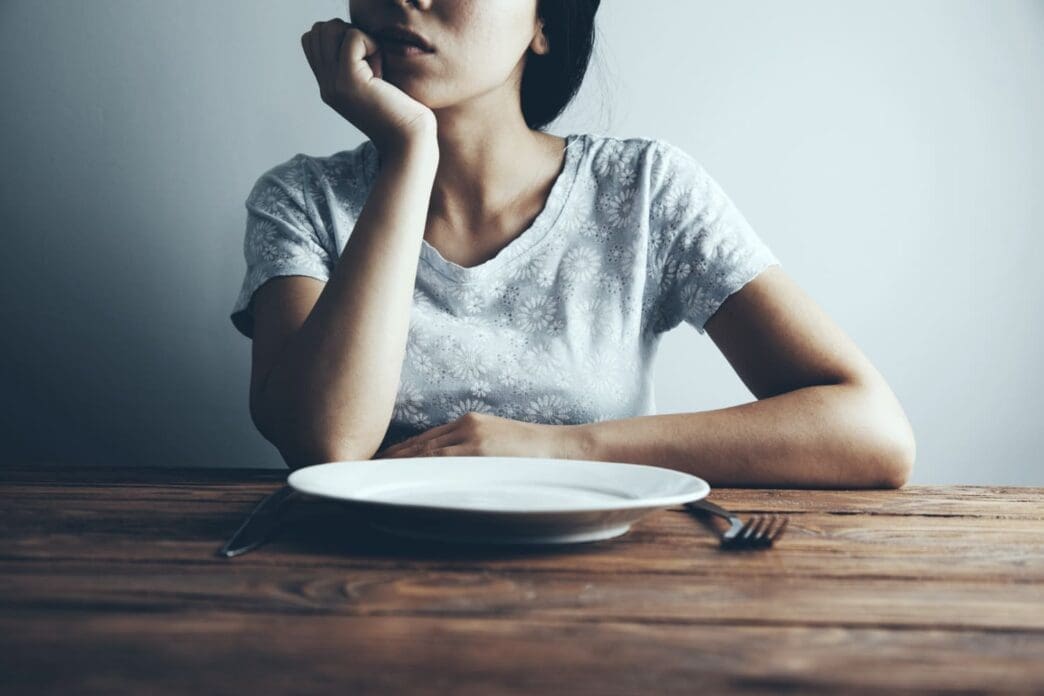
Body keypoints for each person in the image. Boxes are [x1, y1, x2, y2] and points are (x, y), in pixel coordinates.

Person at [230, 0, 916, 488]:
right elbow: (326, 445)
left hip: (607, 584)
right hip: (357, 585)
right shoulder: (301, 199)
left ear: (546, 25)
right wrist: (411, 151)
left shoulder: (645, 190)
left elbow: (871, 432)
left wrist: (557, 450)